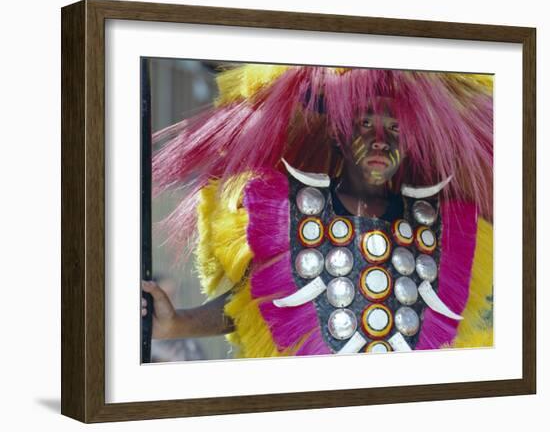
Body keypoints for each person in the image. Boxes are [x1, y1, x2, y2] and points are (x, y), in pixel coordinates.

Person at [142, 65, 493, 357]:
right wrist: (179, 323)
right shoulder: (291, 211)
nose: (380, 140)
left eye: (395, 128)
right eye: (366, 123)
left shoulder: (437, 224)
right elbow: (260, 301)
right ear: (340, 134)